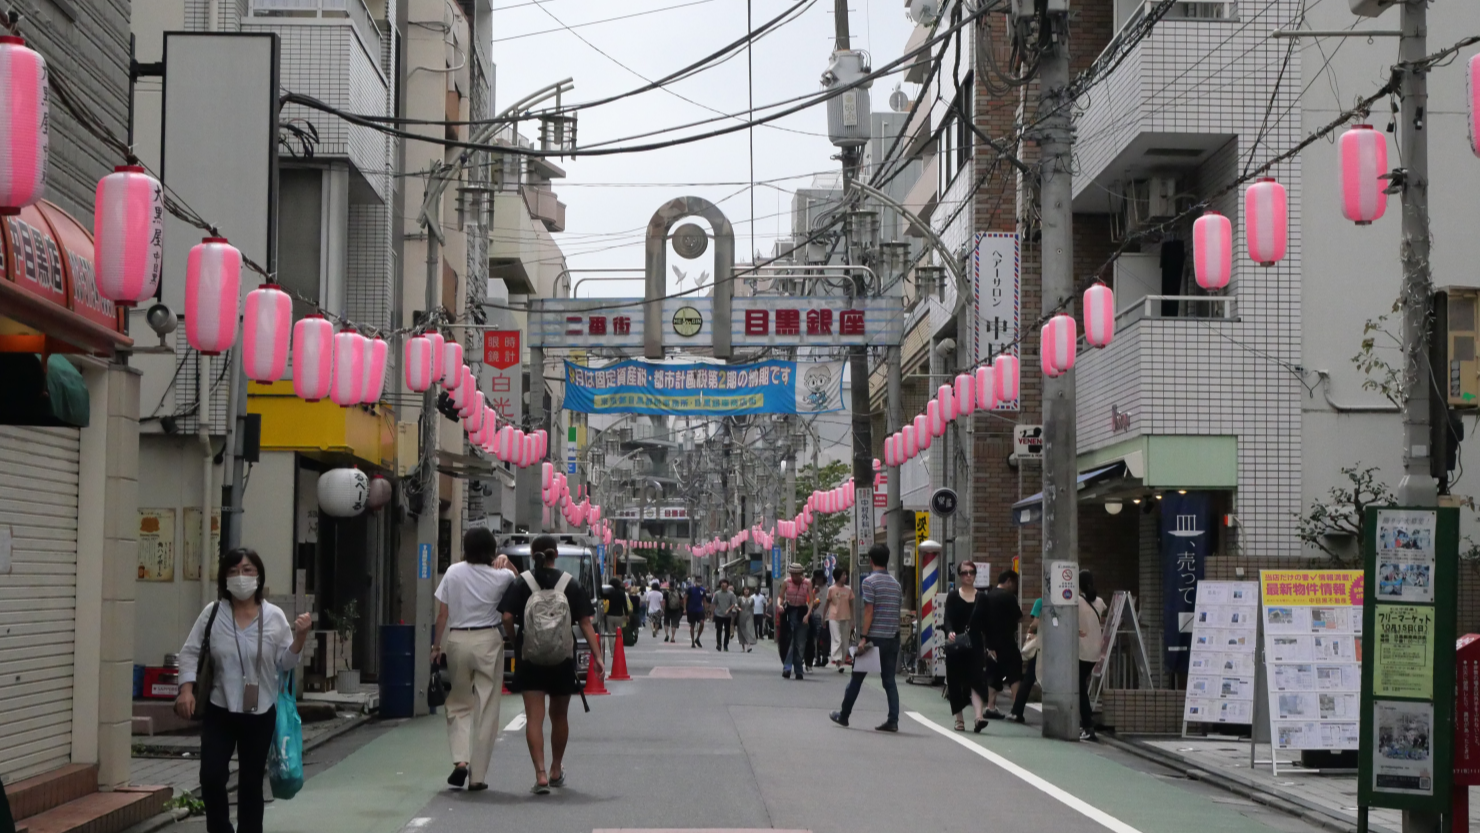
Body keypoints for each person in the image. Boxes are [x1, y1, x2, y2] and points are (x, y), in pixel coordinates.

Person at [175, 548, 311, 833]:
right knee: (211, 776)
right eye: (234, 571)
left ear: (258, 577)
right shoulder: (212, 614)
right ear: (224, 578)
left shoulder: (273, 617)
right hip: (220, 708)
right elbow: (189, 653)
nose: (241, 577)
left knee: (250, 782)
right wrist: (185, 690)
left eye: (247, 570)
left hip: (260, 712)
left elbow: (285, 662)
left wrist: (300, 638)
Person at [499, 534, 603, 794]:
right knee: (559, 716)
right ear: (555, 555)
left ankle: (541, 774)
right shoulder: (570, 583)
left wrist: (516, 641)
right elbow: (586, 623)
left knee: (535, 717)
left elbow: (507, 616)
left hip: (531, 657)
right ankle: (557, 769)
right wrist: (598, 656)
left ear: (533, 554)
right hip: (561, 658)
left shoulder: (523, 582)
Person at [430, 530, 517, 791]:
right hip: (488, 639)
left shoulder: (454, 572)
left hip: (457, 639)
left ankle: (460, 761)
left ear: (465, 547)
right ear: (492, 550)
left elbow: (443, 614)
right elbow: (519, 578)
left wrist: (436, 646)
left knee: (458, 702)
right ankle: (477, 776)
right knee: (487, 706)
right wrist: (506, 560)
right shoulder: (502, 576)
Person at [830, 545, 903, 732]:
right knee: (889, 681)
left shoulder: (869, 582)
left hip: (873, 638)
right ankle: (893, 720)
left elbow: (869, 611)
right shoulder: (896, 584)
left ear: (871, 560)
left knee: (857, 678)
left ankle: (844, 715)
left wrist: (863, 637)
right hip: (892, 637)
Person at [942, 562, 990, 733]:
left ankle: (979, 717)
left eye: (971, 572)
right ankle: (959, 720)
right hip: (957, 644)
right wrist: (949, 632)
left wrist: (991, 645)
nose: (968, 575)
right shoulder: (953, 596)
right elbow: (947, 619)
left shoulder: (983, 598)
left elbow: (987, 623)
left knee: (977, 679)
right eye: (964, 573)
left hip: (976, 644)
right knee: (955, 681)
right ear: (960, 575)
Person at [983, 570, 1024, 719]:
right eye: (1014, 583)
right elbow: (1019, 618)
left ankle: (990, 706)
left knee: (993, 673)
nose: (1014, 587)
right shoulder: (1008, 597)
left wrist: (988, 644)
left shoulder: (988, 596)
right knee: (1014, 672)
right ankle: (1016, 709)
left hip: (991, 644)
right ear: (1009, 581)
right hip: (1007, 641)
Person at [1077, 570, 1109, 742]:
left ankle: (1088, 726)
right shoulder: (1100, 602)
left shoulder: (1076, 602)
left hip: (1080, 650)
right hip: (1094, 650)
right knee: (1081, 686)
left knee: (1080, 689)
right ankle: (1085, 724)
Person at [1010, 597, 1042, 724]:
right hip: (1062, 648)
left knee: (1029, 678)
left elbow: (1035, 623)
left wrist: (1030, 630)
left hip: (1042, 647)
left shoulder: (1041, 602)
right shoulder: (1070, 600)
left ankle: (1017, 711)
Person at [779, 563, 812, 680]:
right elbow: (780, 596)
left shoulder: (807, 583)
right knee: (789, 641)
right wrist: (779, 605)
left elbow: (811, 602)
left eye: (796, 575)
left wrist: (808, 615)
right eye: (792, 575)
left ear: (801, 574)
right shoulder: (786, 582)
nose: (794, 577)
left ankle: (799, 669)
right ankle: (787, 668)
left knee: (800, 643)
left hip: (802, 612)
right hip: (790, 611)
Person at [826, 568, 853, 673]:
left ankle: (841, 660)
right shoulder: (831, 589)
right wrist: (825, 618)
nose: (845, 577)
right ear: (838, 576)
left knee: (845, 641)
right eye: (843, 575)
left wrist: (853, 620)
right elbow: (827, 604)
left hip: (846, 617)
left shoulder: (848, 590)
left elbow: (851, 605)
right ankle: (838, 661)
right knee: (837, 639)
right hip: (833, 617)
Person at [712, 579, 739, 651]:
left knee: (727, 631)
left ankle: (725, 645)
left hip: (728, 615)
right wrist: (713, 612)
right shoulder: (717, 593)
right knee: (719, 630)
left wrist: (728, 610)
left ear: (727, 585)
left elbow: (733, 604)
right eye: (722, 583)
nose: (723, 585)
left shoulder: (731, 594)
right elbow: (714, 603)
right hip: (718, 614)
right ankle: (719, 644)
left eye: (724, 583)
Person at [685, 578, 709, 648]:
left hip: (699, 609)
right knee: (692, 625)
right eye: (698, 581)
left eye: (700, 581)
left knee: (702, 623)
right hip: (691, 609)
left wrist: (706, 609)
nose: (699, 583)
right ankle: (692, 641)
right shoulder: (690, 589)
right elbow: (685, 598)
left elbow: (704, 600)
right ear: (695, 581)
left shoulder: (702, 590)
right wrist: (684, 608)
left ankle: (697, 638)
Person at [737, 586, 757, 651]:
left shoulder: (751, 599)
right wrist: (738, 608)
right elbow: (736, 605)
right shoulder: (740, 598)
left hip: (749, 615)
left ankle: (748, 646)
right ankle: (743, 647)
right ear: (743, 591)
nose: (746, 591)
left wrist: (753, 615)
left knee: (749, 630)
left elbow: (752, 607)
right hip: (741, 615)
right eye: (745, 590)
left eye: (747, 590)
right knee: (742, 630)